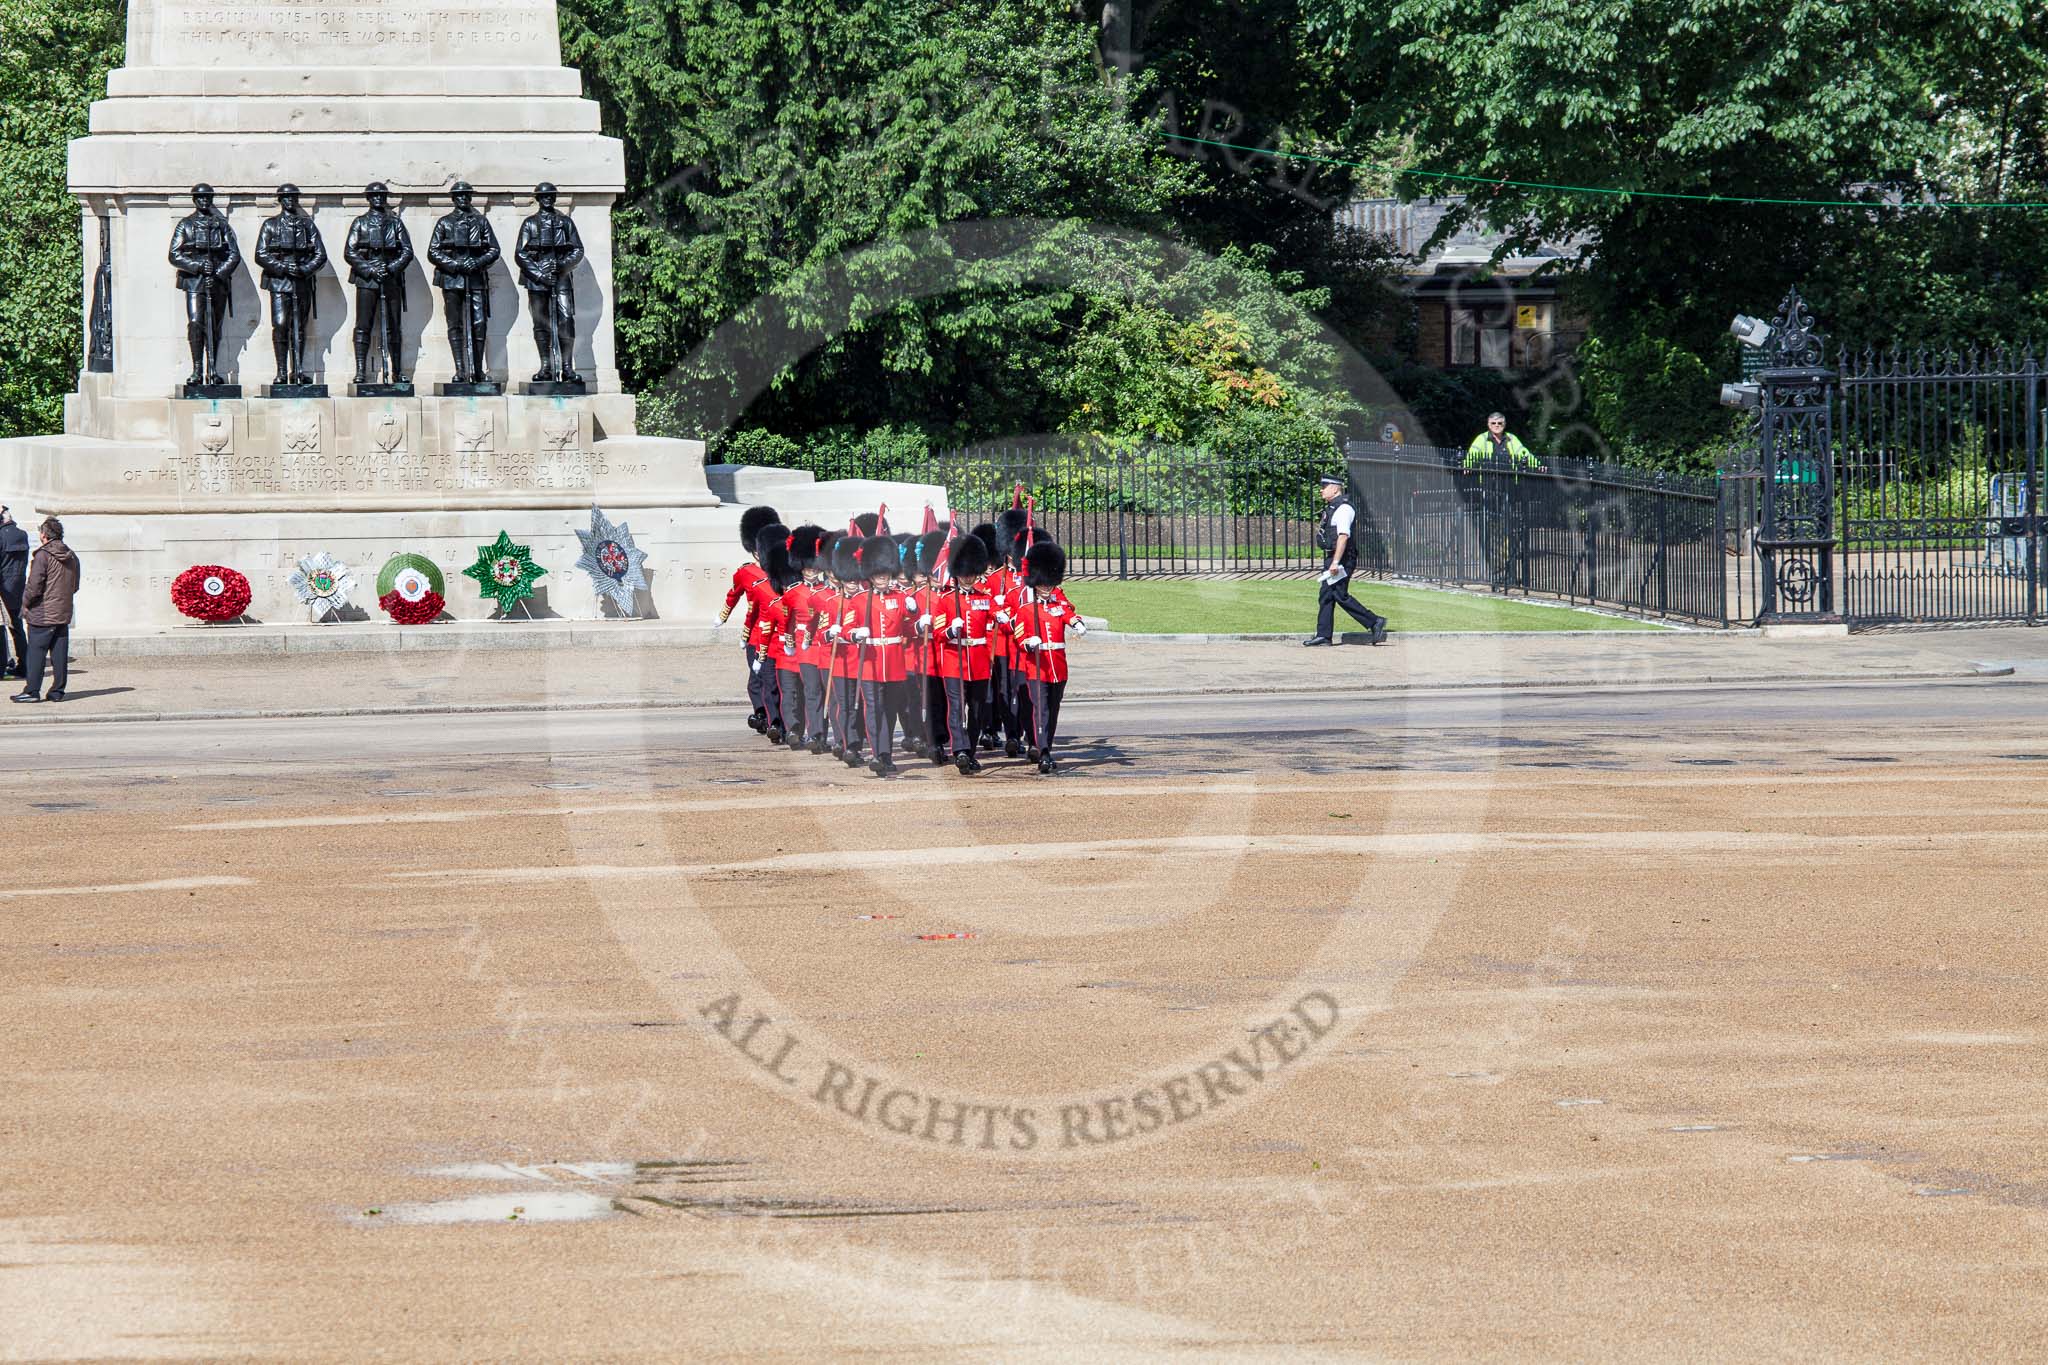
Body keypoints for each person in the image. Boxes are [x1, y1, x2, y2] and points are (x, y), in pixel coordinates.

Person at [1015, 541, 1084, 774]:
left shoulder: (1058, 604)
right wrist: (1028, 643)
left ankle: (1047, 746)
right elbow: (1018, 637)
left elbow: (1068, 613)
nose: (1046, 586)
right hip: (1037, 668)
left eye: (1050, 581)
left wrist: (1077, 623)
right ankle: (1043, 752)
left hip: (1058, 667)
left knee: (1052, 712)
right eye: (1042, 582)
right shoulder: (1026, 608)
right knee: (1041, 711)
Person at [254, 184, 328, 386]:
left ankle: (298, 370)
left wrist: (305, 269)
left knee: (299, 327)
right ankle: (280, 371)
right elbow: (260, 254)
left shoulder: (307, 226)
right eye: (286, 197)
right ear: (280, 200)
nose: (290, 201)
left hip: (301, 282)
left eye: (293, 197)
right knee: (280, 325)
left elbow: (321, 255)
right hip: (279, 282)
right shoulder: (270, 225)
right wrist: (282, 267)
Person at [428, 182, 502, 386]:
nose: (463, 199)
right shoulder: (444, 222)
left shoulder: (481, 221)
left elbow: (494, 249)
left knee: (479, 324)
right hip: (452, 279)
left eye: (466, 195)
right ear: (453, 198)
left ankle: (478, 370)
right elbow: (433, 251)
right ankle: (460, 369)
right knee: (455, 324)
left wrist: (477, 262)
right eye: (459, 195)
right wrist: (455, 264)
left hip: (476, 278)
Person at [1303, 474, 1388, 647]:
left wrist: (1335, 562)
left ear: (1335, 489)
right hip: (1334, 557)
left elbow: (1343, 537)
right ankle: (1324, 636)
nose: (1321, 489)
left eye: (1324, 486)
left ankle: (1374, 621)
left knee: (1339, 594)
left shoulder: (1343, 509)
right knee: (1326, 595)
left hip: (1342, 558)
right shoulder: (1333, 507)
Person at [167, 184, 239, 387]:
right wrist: (197, 266)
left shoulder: (221, 224)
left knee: (215, 326)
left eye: (208, 197)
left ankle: (213, 368)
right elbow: (174, 254)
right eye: (200, 197)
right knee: (196, 323)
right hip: (194, 282)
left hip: (217, 282)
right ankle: (197, 369)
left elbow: (234, 254)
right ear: (194, 200)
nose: (204, 200)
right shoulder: (186, 224)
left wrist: (218, 272)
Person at [343, 182, 415, 387]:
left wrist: (391, 268)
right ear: (368, 198)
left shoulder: (395, 223)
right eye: (374, 195)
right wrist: (370, 269)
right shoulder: (360, 223)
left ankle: (397, 371)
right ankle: (360, 371)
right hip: (367, 281)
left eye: (382, 195)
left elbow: (407, 251)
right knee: (363, 326)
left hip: (390, 280)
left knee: (394, 326)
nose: (378, 199)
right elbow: (350, 252)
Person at [719, 504, 780, 731]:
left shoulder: (782, 570)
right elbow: (733, 596)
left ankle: (777, 717)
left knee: (773, 679)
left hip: (778, 634)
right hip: (755, 632)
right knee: (757, 679)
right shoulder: (747, 572)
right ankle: (762, 712)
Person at [516, 183, 585, 384]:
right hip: (537, 279)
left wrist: (562, 265)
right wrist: (539, 274)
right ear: (538, 199)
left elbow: (577, 250)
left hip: (560, 276)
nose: (547, 199)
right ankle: (546, 366)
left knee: (566, 319)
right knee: (540, 322)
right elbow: (520, 254)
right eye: (543, 196)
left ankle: (566, 367)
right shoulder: (529, 224)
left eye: (551, 196)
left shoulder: (565, 222)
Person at [13, 517, 78, 703]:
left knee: (36, 653)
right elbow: (75, 584)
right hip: (62, 611)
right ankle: (57, 691)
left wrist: (24, 604)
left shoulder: (43, 555)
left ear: (44, 535)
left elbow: (34, 587)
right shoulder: (71, 555)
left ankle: (32, 691)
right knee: (59, 655)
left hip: (43, 613)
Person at [0, 507, 29, 679]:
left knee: (1, 628)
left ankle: (2, 665)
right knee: (17, 628)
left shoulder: (1, 536)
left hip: (3, 586)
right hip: (17, 586)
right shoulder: (22, 534)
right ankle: (24, 665)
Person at [1463, 411, 1541, 471]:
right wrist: (1467, 466)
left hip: (1509, 479)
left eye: (1500, 423)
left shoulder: (1511, 438)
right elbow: (1472, 455)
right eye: (1493, 423)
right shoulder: (1481, 438)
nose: (1496, 425)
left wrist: (1537, 466)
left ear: (1504, 424)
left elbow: (1524, 454)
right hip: (1488, 480)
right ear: (1488, 425)